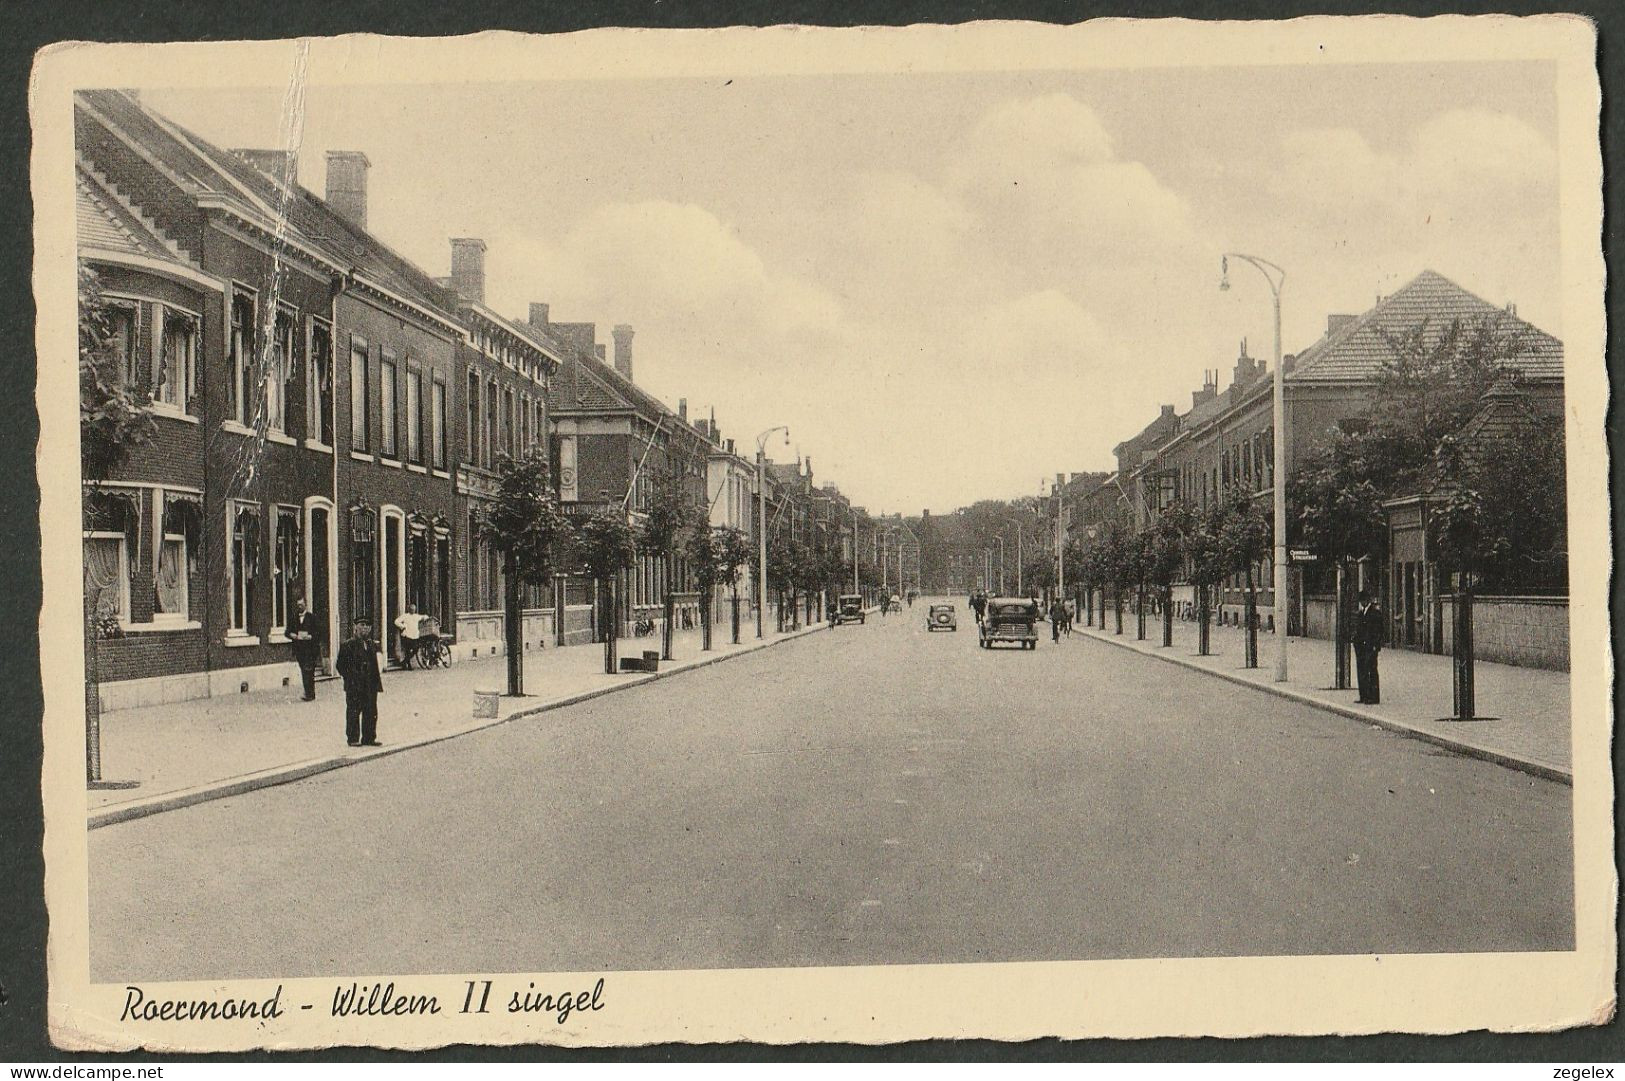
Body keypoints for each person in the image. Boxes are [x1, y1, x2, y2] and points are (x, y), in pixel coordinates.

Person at [337, 616, 384, 747]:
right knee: (353, 711)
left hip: (370, 684)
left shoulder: (371, 645)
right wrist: (351, 678)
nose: (365, 628)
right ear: (355, 627)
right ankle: (352, 738)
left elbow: (375, 665)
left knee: (371, 711)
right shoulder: (348, 645)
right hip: (355, 685)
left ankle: (369, 737)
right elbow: (340, 665)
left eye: (367, 626)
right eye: (362, 625)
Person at [1352, 589, 1385, 705]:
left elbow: (1379, 631)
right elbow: (1358, 630)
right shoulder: (1361, 613)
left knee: (1371, 670)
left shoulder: (1375, 613)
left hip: (1370, 647)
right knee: (1362, 671)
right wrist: (1355, 641)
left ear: (1368, 600)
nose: (1362, 603)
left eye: (1363, 600)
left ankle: (1374, 697)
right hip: (1361, 647)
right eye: (1361, 601)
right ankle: (1364, 695)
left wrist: (1376, 645)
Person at [289, 598, 323, 700]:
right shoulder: (294, 618)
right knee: (304, 671)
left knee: (309, 671)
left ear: (305, 605)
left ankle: (310, 694)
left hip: (311, 650)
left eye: (301, 605)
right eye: (298, 605)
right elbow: (287, 631)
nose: (299, 607)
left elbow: (319, 632)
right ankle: (308, 692)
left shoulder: (312, 618)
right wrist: (292, 635)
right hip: (299, 650)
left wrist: (311, 636)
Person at [394, 603, 425, 669]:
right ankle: (409, 665)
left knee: (416, 649)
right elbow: (396, 621)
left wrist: (426, 617)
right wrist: (403, 626)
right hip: (407, 635)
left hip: (415, 636)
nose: (412, 611)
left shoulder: (416, 616)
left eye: (414, 609)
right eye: (411, 609)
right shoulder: (405, 616)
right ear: (409, 610)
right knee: (407, 650)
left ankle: (404, 662)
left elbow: (423, 617)